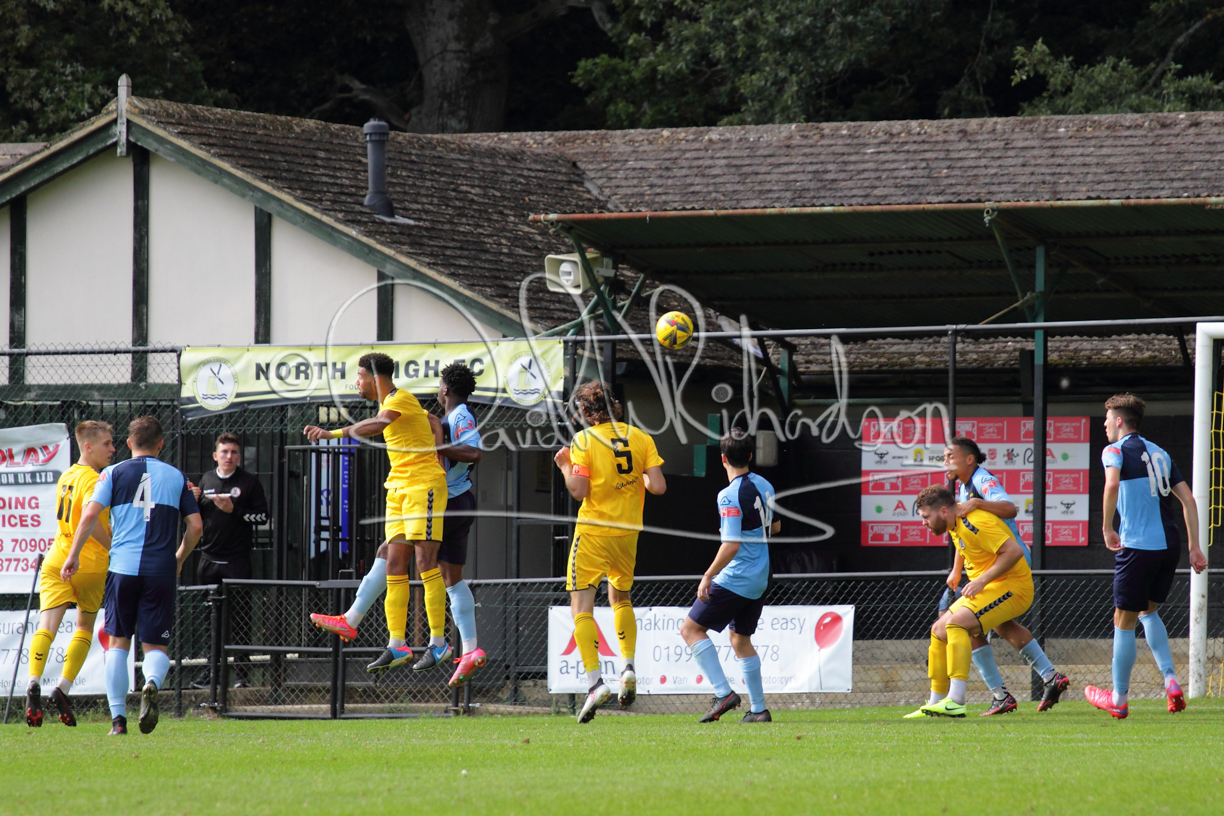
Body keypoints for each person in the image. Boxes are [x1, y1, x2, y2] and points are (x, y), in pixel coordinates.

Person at [309, 363, 487, 687]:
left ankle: (430, 641)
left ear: (445, 389)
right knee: (421, 566)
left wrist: (435, 448)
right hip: (437, 494)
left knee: (414, 559)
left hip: (446, 496)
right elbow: (429, 424)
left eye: (360, 376)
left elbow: (473, 452)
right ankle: (461, 648)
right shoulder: (434, 415)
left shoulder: (459, 414)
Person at [62, 416, 202, 736]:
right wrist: (179, 557)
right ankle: (151, 682)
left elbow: (89, 515)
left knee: (118, 644)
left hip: (122, 568)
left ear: (128, 443)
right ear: (161, 444)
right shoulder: (176, 476)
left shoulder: (112, 473)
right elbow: (195, 526)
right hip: (160, 570)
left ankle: (118, 722)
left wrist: (73, 555)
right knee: (155, 646)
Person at [1084, 394, 1207, 719]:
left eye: (1107, 418)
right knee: (1148, 612)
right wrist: (1195, 547)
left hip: (1138, 546)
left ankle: (1119, 699)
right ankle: (1171, 681)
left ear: (1119, 420)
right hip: (1169, 546)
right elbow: (1188, 500)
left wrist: (1107, 528)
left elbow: (1112, 485)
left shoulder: (1113, 451)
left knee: (1122, 620)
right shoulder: (1160, 453)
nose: (1105, 424)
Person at [554, 380, 665, 724]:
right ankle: (628, 666)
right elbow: (658, 486)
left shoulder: (584, 440)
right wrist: (636, 478)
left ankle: (595, 683)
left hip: (594, 532)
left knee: (581, 606)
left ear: (588, 413)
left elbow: (578, 490)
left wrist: (564, 465)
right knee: (620, 597)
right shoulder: (641, 437)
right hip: (628, 533)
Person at [941, 436, 1070, 714]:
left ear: (969, 460)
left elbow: (1011, 508)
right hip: (992, 568)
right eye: (943, 457)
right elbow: (964, 535)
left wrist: (978, 503)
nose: (945, 462)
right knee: (999, 625)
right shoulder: (962, 487)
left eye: (950, 456)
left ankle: (997, 695)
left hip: (1009, 564)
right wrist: (956, 568)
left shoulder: (982, 480)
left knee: (969, 625)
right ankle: (1050, 676)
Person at [905, 485, 1033, 718]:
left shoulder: (974, 521)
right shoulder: (954, 523)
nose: (923, 523)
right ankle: (935, 703)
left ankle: (956, 700)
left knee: (957, 624)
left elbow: (1014, 551)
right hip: (993, 587)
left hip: (1014, 587)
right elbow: (965, 547)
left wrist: (981, 581)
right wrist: (957, 571)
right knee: (938, 630)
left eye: (926, 517)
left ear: (944, 511)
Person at [680, 429, 779, 724]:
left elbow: (731, 545)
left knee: (690, 630)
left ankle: (723, 694)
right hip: (761, 575)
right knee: (740, 639)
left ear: (723, 459)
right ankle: (759, 710)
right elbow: (775, 527)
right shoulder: (765, 485)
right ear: (750, 456)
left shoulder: (728, 495)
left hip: (738, 577)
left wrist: (708, 575)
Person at [25, 421, 115, 728]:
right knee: (84, 627)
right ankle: (62, 688)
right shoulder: (94, 478)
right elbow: (91, 521)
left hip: (56, 557)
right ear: (88, 446)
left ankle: (33, 681)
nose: (112, 449)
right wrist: (114, 546)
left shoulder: (67, 475)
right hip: (87, 562)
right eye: (106, 444)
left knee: (46, 626)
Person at [188, 432, 269, 689]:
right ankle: (211, 674)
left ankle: (242, 676)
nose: (229, 456)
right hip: (209, 560)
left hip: (237, 561)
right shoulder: (207, 480)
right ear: (215, 455)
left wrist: (235, 510)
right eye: (224, 452)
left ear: (239, 456)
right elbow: (197, 517)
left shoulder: (249, 482)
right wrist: (192, 501)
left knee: (241, 618)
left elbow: (263, 517)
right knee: (210, 619)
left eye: (234, 452)